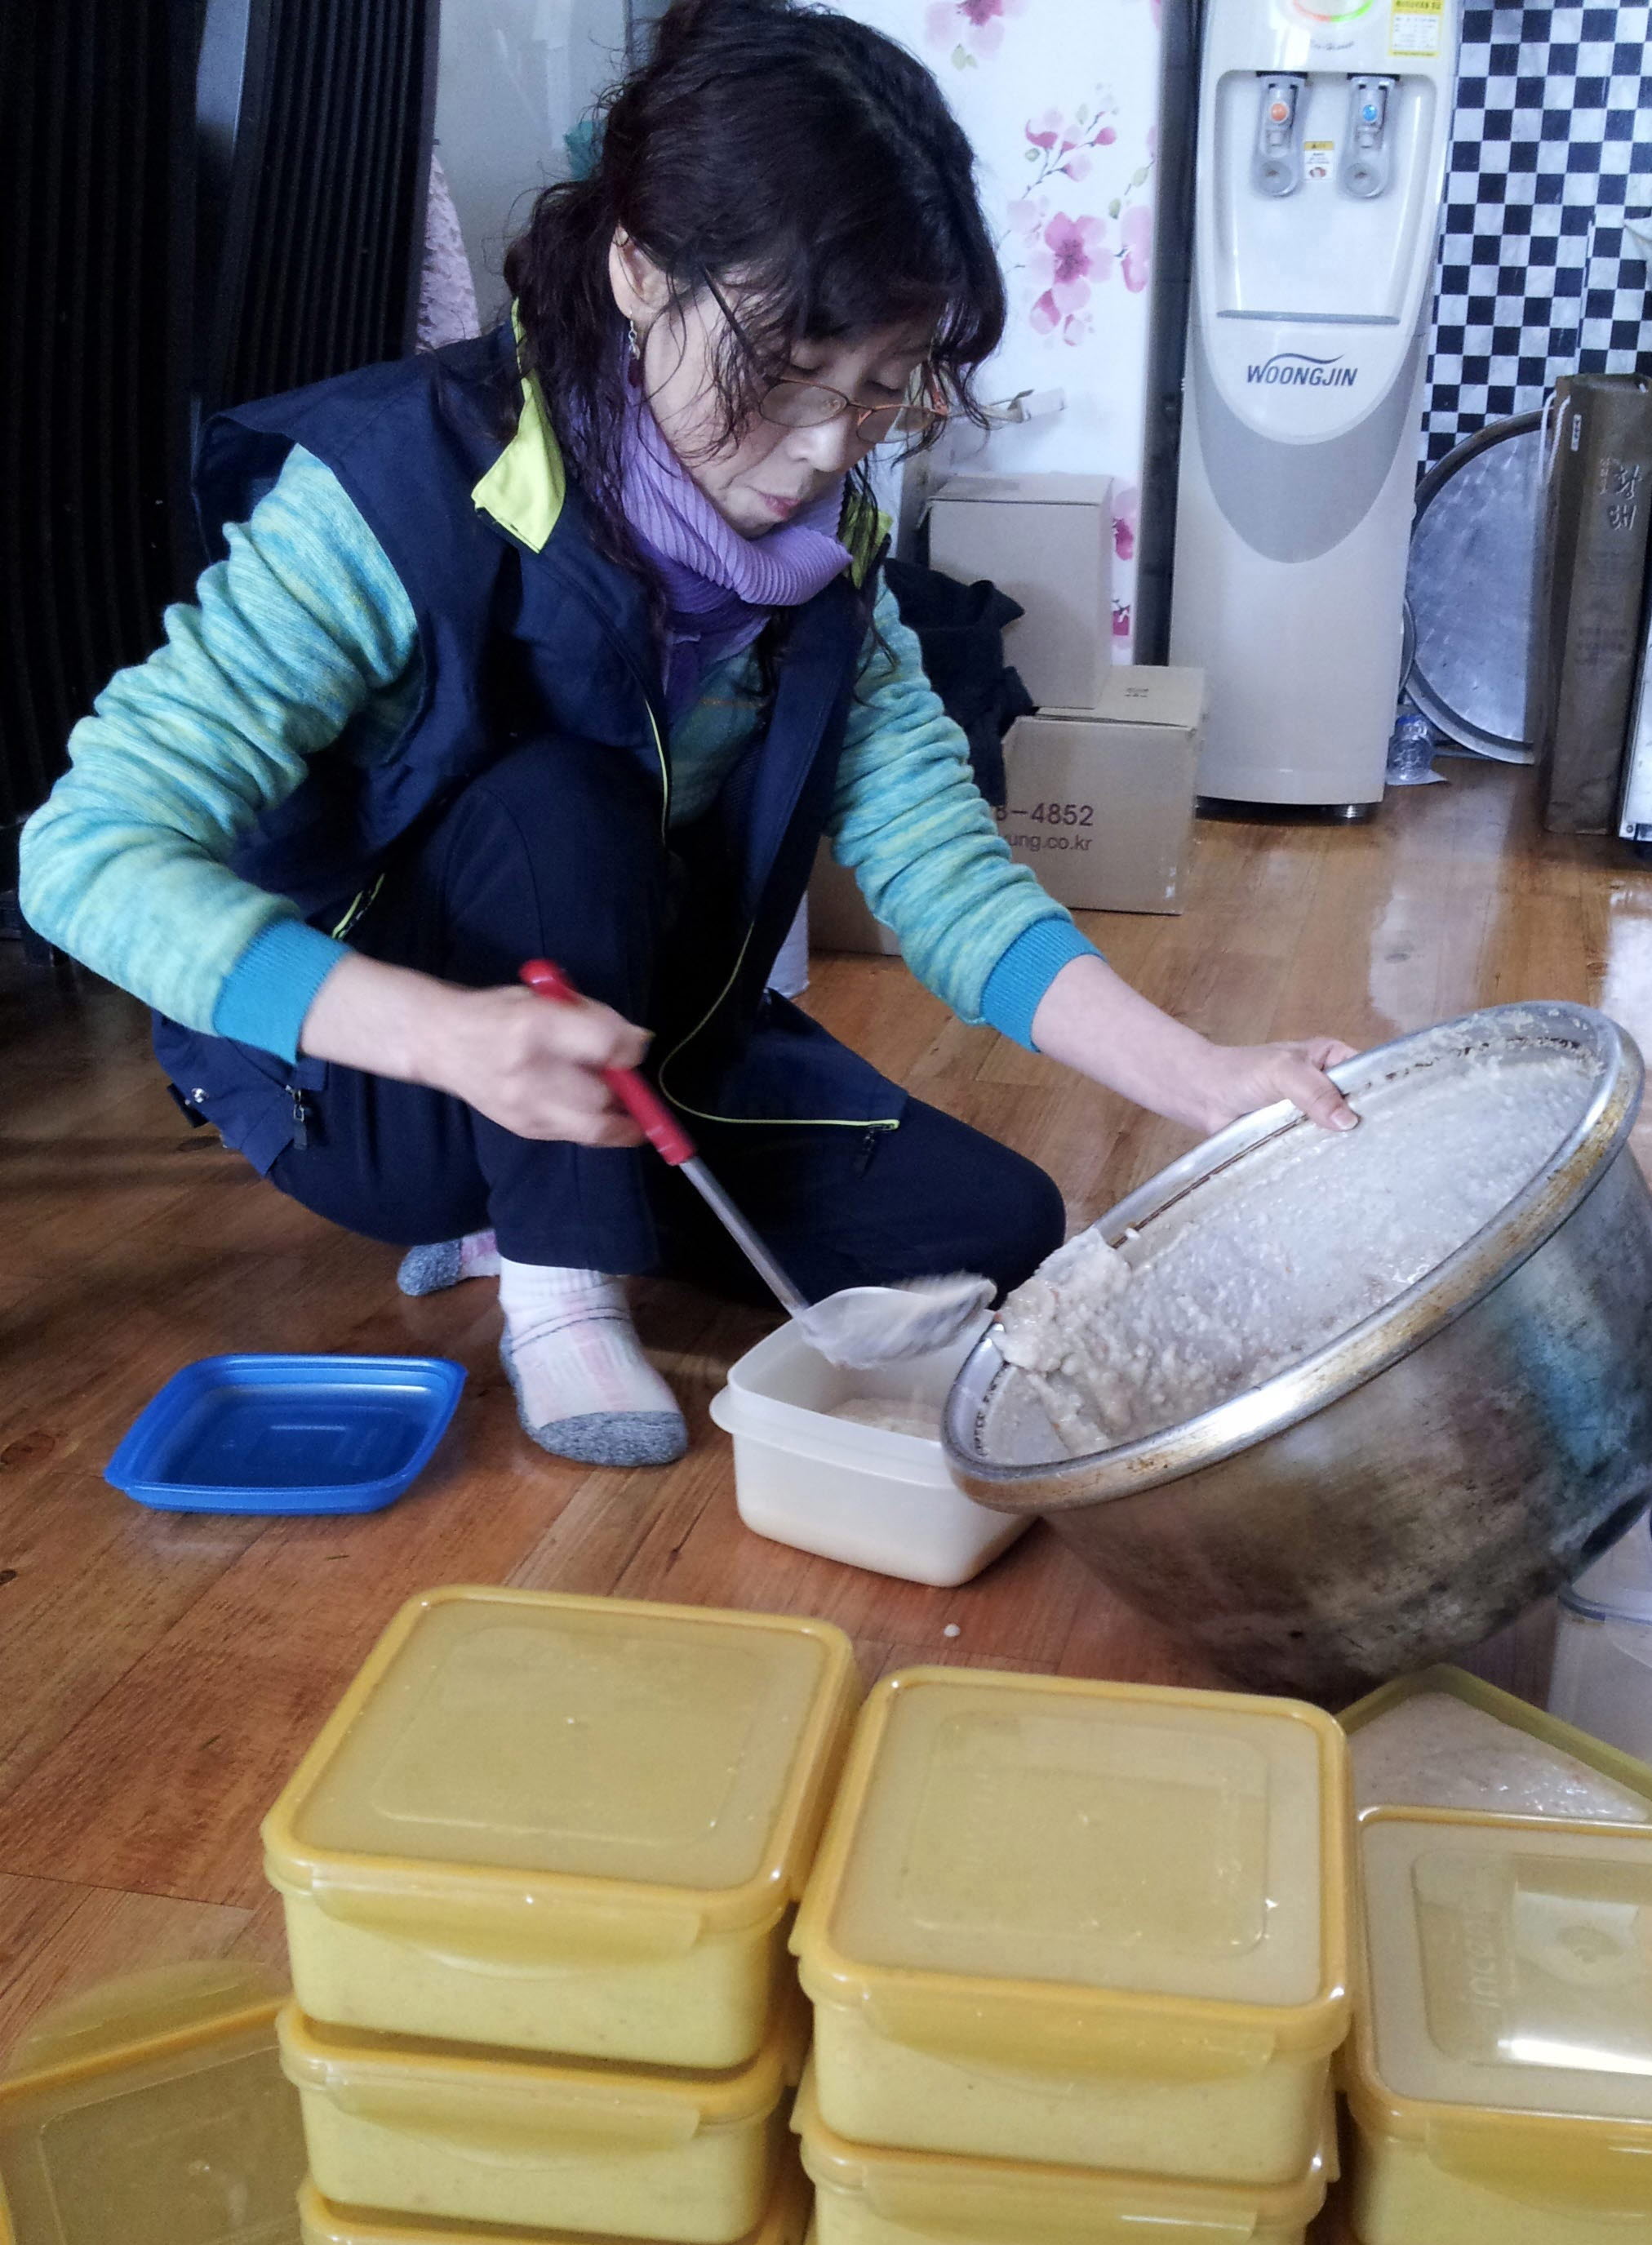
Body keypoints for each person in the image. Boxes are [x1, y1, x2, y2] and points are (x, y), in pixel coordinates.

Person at [20, 0, 1356, 1469]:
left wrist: (1204, 1078)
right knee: (564, 805)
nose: (823, 451)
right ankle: (556, 1276)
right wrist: (444, 1036)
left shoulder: (829, 558)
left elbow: (945, 872)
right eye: (781, 377)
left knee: (995, 1231)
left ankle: (532, 1210)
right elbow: (81, 857)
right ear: (639, 272)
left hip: (627, 1045)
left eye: (879, 393)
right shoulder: (394, 492)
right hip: (371, 1082)